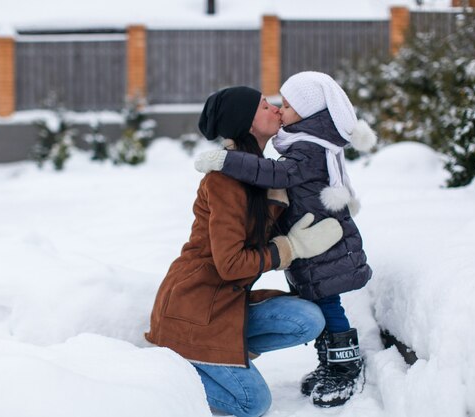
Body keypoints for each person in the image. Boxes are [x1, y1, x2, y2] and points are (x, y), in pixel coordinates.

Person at [145, 86, 344, 417]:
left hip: (225, 304)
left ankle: (218, 353)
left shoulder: (259, 172)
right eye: (266, 106)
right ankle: (172, 370)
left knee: (308, 320)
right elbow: (232, 265)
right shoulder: (225, 181)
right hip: (192, 311)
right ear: (247, 123)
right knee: (252, 404)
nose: (277, 109)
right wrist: (289, 249)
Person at [194, 71, 377, 407]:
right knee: (318, 301)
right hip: (310, 246)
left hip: (323, 247)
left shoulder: (307, 147)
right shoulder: (305, 143)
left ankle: (344, 364)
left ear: (308, 114)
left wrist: (227, 160)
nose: (279, 109)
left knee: (327, 304)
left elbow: (278, 174)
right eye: (272, 104)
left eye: (288, 105)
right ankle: (330, 361)